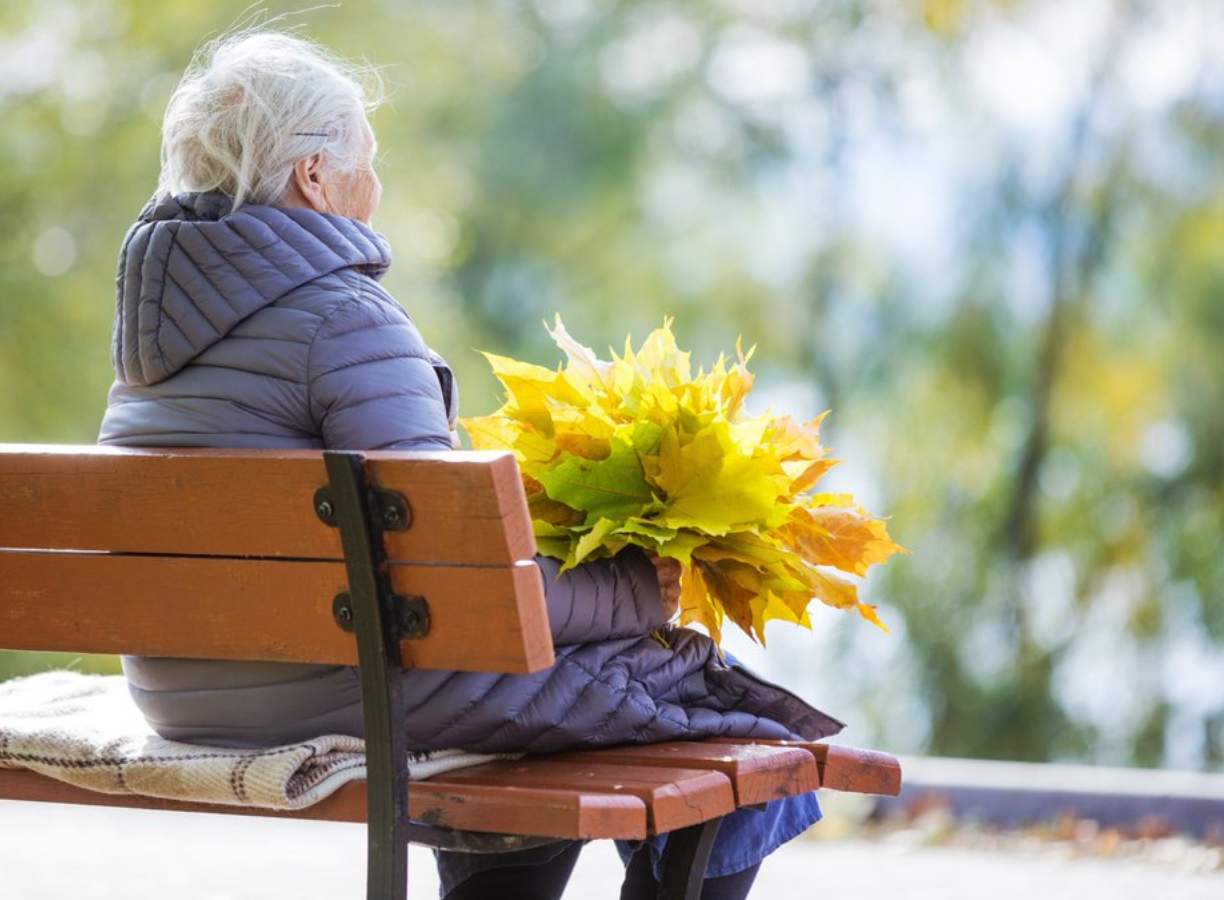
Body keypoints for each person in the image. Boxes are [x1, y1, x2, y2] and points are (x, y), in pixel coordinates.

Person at [98, 27, 841, 900]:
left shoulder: (153, 335)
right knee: (720, 715)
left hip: (183, 689)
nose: (375, 186)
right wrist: (641, 591)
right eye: (367, 160)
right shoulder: (346, 321)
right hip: (330, 688)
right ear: (313, 177)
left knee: (549, 703)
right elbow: (449, 595)